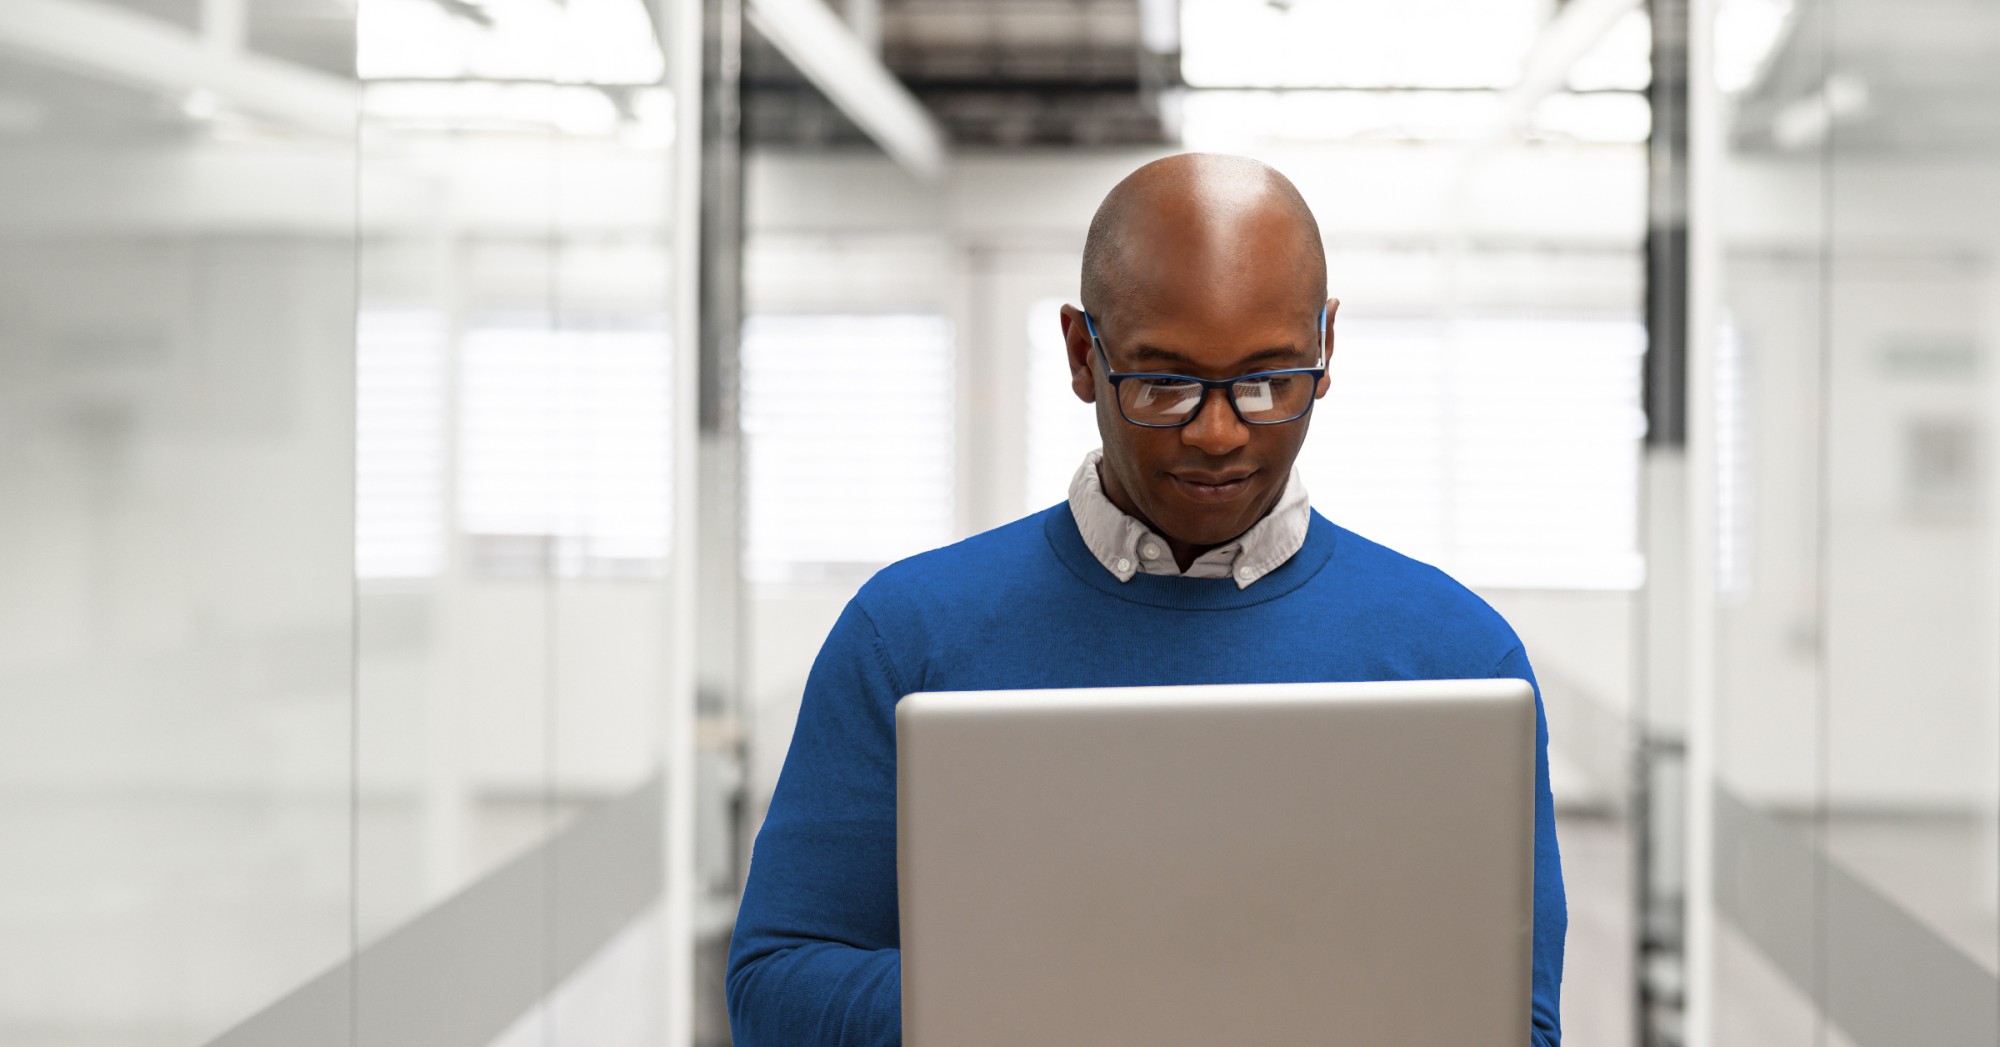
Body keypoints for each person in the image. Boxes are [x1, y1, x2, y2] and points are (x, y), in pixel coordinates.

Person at [725, 153, 1566, 1047]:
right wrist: (1084, 996)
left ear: (1326, 351)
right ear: (1084, 354)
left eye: (1265, 381)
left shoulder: (1456, 659)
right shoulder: (908, 634)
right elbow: (774, 990)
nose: (1216, 433)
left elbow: (1519, 1024)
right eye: (1164, 383)